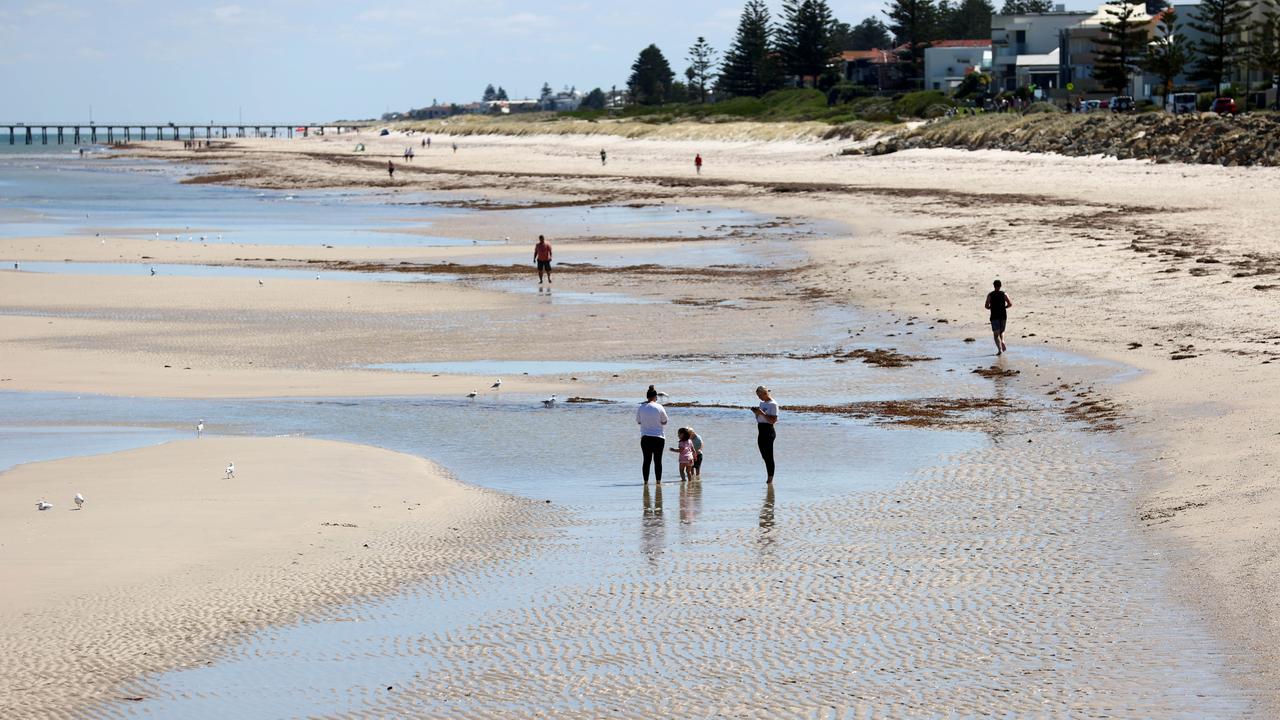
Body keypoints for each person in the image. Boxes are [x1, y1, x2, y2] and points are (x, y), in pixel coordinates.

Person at [637, 385, 669, 484]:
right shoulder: (659, 407)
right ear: (655, 397)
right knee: (658, 461)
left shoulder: (641, 407)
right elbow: (665, 421)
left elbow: (638, 422)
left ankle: (645, 482)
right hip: (659, 438)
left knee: (646, 461)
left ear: (647, 397)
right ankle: (658, 482)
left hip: (645, 438)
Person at [750, 385, 778, 484]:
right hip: (760, 430)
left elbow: (773, 420)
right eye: (758, 395)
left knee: (769, 456)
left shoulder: (773, 404)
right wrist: (756, 413)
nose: (759, 397)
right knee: (764, 456)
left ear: (765, 393)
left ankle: (770, 479)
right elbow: (760, 418)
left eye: (760, 395)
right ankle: (769, 476)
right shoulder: (762, 403)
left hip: (769, 431)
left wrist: (762, 413)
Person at [985, 279, 1013, 355]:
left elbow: (986, 306)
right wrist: (1005, 307)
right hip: (1003, 315)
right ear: (1000, 286)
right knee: (1002, 331)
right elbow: (1010, 304)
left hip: (994, 316)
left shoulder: (990, 295)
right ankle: (1003, 341)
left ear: (994, 286)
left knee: (996, 334)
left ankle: (999, 349)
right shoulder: (1004, 294)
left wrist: (991, 307)